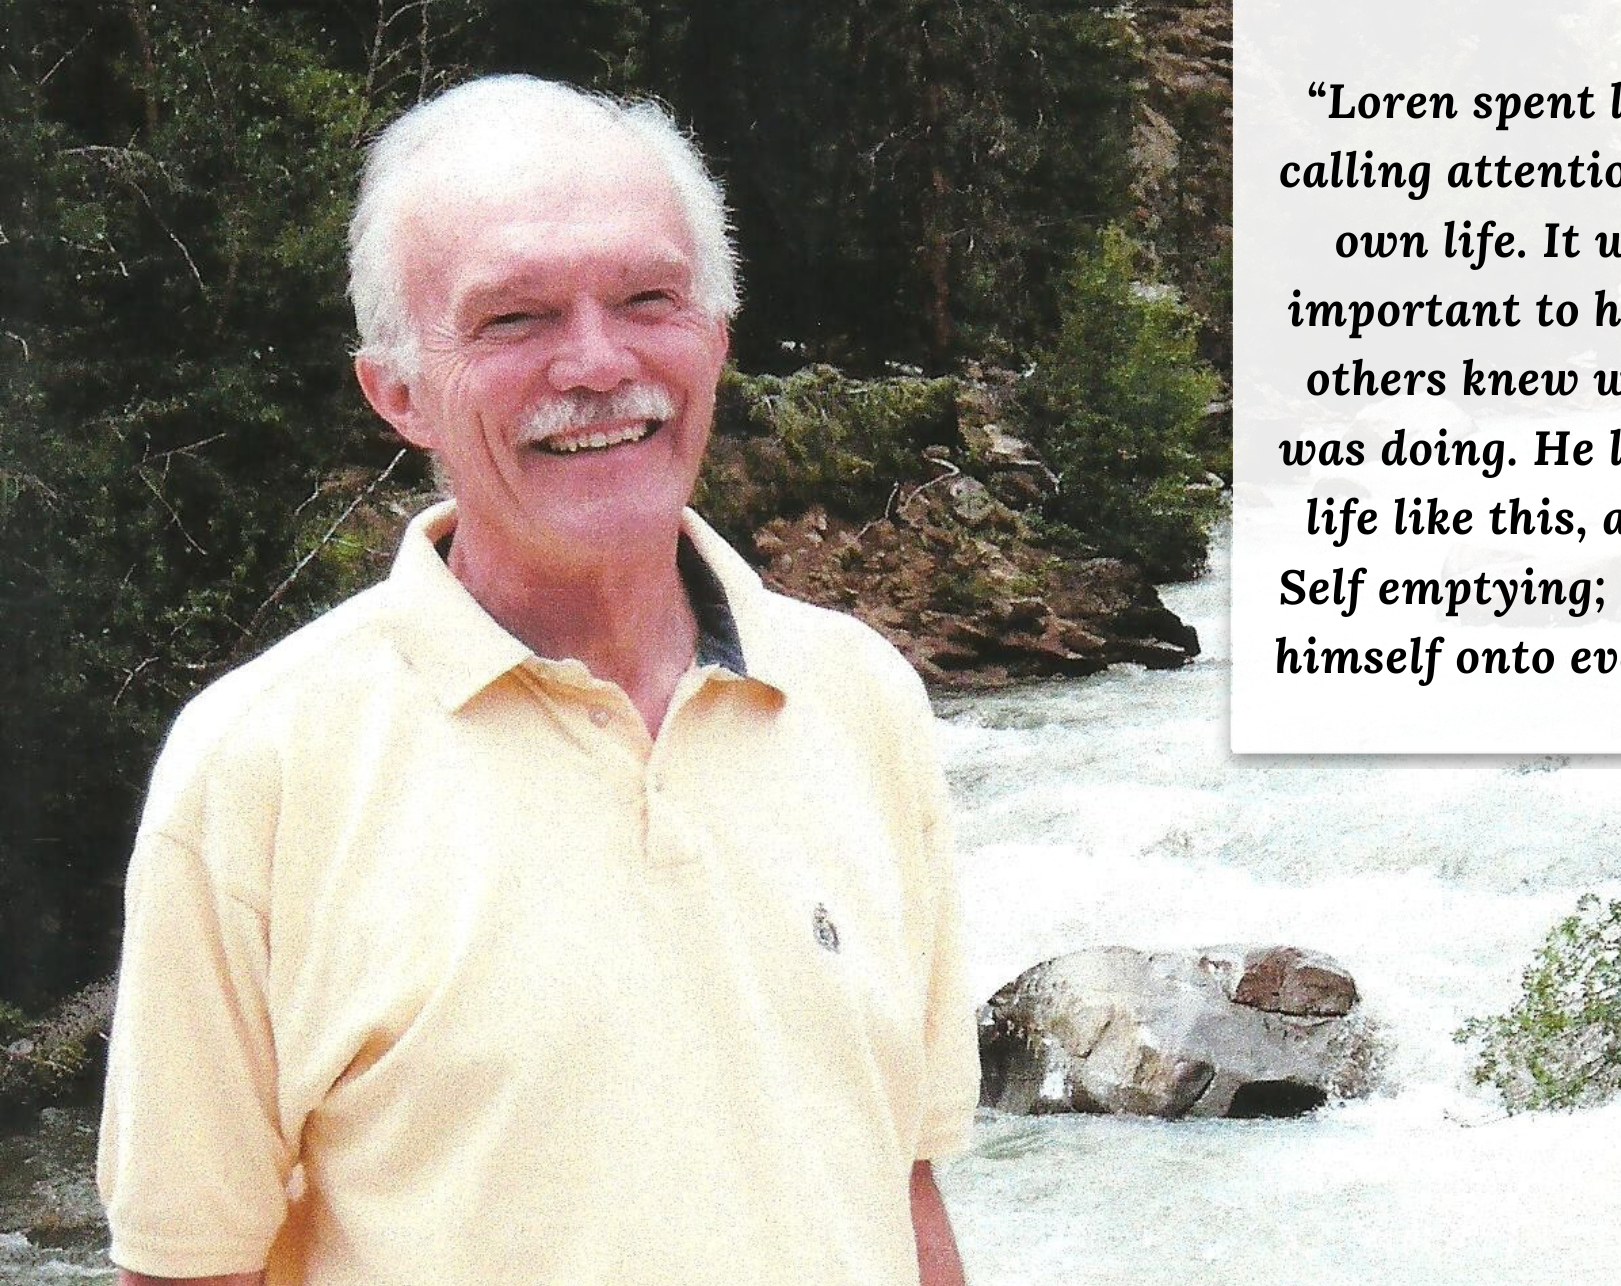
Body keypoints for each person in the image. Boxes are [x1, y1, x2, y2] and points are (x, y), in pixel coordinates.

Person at [95, 74, 980, 1286]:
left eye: (647, 297)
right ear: (397, 391)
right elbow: (186, 1267)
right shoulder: (256, 766)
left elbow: (902, 1184)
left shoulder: (861, 697)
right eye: (513, 318)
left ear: (715, 334)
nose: (597, 360)